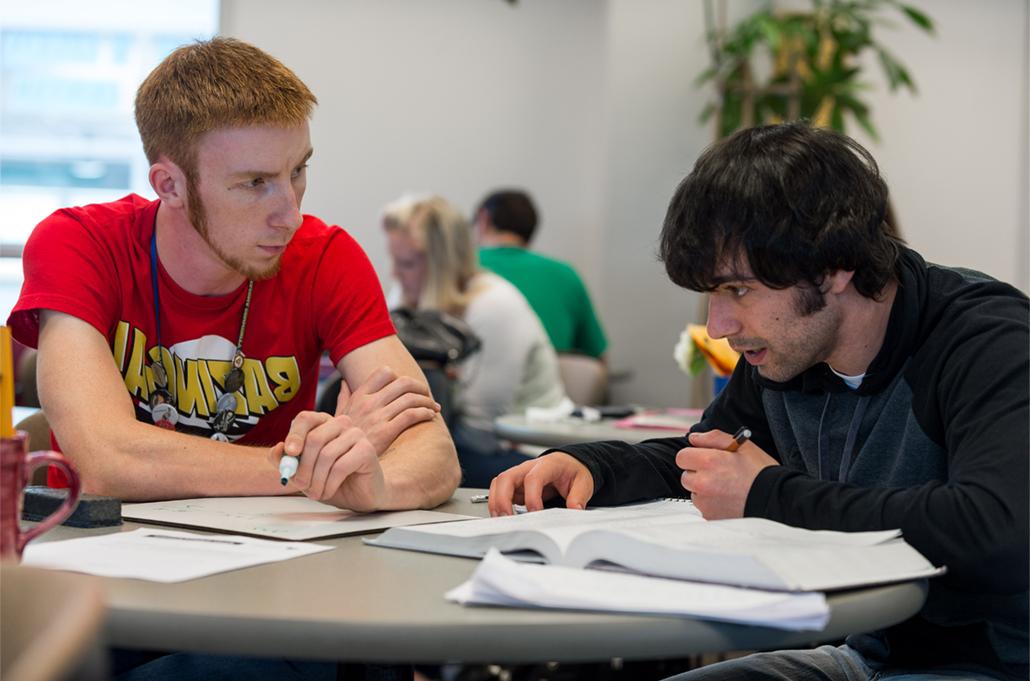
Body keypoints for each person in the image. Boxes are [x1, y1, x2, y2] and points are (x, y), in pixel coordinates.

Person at [489, 123, 1029, 681]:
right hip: (864, 657)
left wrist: (769, 494)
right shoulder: (786, 350)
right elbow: (711, 460)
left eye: (738, 290)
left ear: (834, 266)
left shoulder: (985, 339)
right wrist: (593, 467)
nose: (718, 327)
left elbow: (1000, 527)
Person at [7, 37, 460, 680]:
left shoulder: (326, 256)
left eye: (298, 169)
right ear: (169, 183)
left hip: (264, 581)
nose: (290, 210)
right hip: (98, 577)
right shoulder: (81, 242)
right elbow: (102, 459)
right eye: (255, 184)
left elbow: (432, 449)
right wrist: (300, 469)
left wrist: (375, 482)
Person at [383, 194, 568, 488]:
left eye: (405, 263)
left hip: (517, 453)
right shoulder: (407, 295)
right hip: (453, 440)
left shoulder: (494, 305)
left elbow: (480, 432)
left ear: (440, 263)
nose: (394, 273)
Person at [475, 189, 608, 359]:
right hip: (558, 382)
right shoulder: (567, 275)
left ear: (483, 219)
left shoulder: (461, 268)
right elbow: (598, 358)